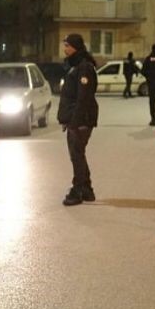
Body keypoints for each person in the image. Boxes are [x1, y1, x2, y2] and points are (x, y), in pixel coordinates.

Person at [56, 33, 98, 206]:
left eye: (68, 46)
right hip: (75, 119)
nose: (65, 49)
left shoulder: (84, 67)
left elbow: (83, 98)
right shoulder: (74, 66)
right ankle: (87, 189)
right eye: (64, 45)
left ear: (76, 47)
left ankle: (78, 190)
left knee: (77, 155)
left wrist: (74, 121)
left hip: (81, 120)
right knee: (78, 154)